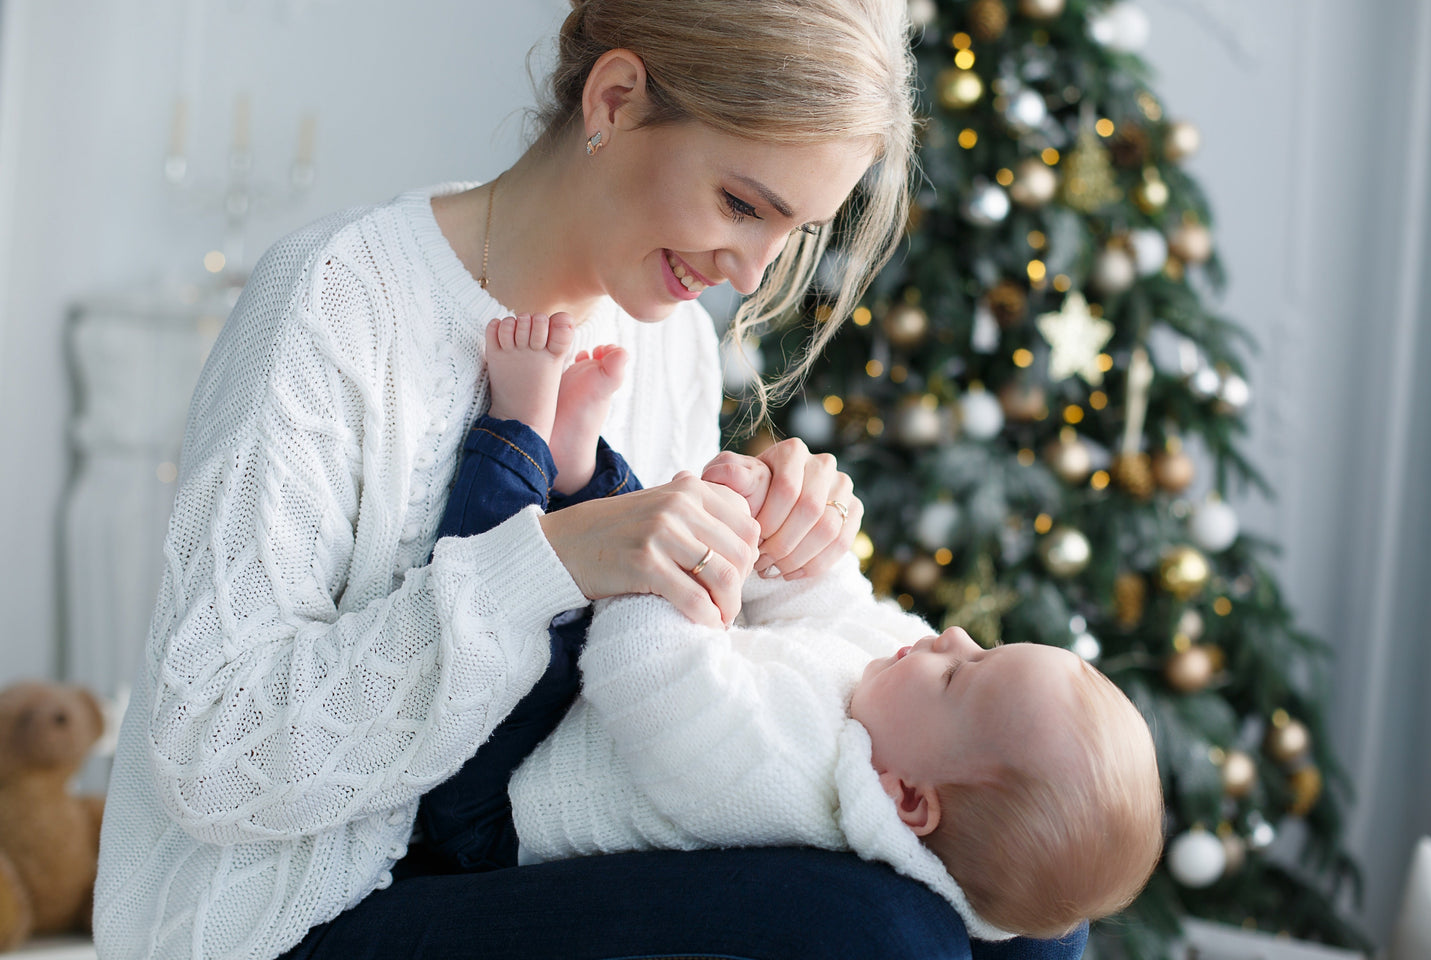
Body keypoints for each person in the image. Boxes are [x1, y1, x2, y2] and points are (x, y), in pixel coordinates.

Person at [93, 0, 1092, 957]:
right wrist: (553, 559)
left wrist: (782, 563)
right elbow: (211, 754)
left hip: (527, 850)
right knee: (882, 930)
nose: (750, 274)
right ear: (614, 98)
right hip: (305, 911)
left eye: (795, 230)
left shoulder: (671, 346)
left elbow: (680, 699)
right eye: (743, 204)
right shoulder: (339, 301)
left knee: (1035, 916)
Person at [419, 312, 1164, 943]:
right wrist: (773, 530)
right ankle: (580, 466)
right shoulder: (899, 697)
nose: (953, 639)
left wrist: (705, 539)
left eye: (958, 675)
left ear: (907, 799)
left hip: (499, 804)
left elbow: (641, 668)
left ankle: (515, 426)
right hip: (603, 711)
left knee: (528, 621)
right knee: (647, 547)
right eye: (985, 646)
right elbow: (828, 604)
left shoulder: (780, 774)